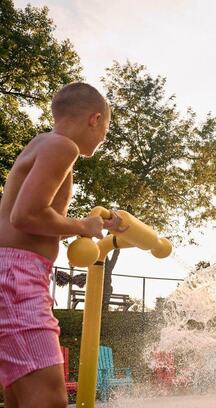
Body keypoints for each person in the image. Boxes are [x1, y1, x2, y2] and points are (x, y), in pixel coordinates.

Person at [0, 83, 125, 408]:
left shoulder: (43, 144)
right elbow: (25, 215)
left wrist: (91, 224)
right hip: (16, 279)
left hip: (14, 274)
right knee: (50, 400)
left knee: (22, 398)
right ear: (95, 119)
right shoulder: (62, 147)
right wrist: (82, 226)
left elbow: (38, 218)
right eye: (106, 130)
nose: (103, 139)